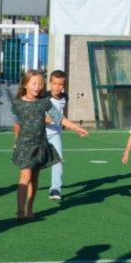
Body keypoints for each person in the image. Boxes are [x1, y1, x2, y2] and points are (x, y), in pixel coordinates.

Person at [12, 70, 88, 223]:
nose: (37, 86)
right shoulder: (18, 103)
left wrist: (77, 128)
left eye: (40, 83)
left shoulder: (44, 102)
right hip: (25, 147)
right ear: (26, 84)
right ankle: (20, 211)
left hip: (40, 146)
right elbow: (17, 124)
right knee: (25, 177)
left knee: (34, 178)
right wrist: (16, 142)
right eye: (34, 83)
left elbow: (59, 118)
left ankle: (29, 209)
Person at [45, 70, 69, 201]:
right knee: (34, 164)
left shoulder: (65, 97)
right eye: (55, 84)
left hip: (55, 134)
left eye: (61, 84)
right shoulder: (44, 97)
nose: (58, 87)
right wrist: (54, 119)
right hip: (40, 133)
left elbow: (60, 114)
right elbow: (40, 118)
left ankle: (55, 189)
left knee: (58, 160)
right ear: (50, 83)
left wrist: (63, 122)